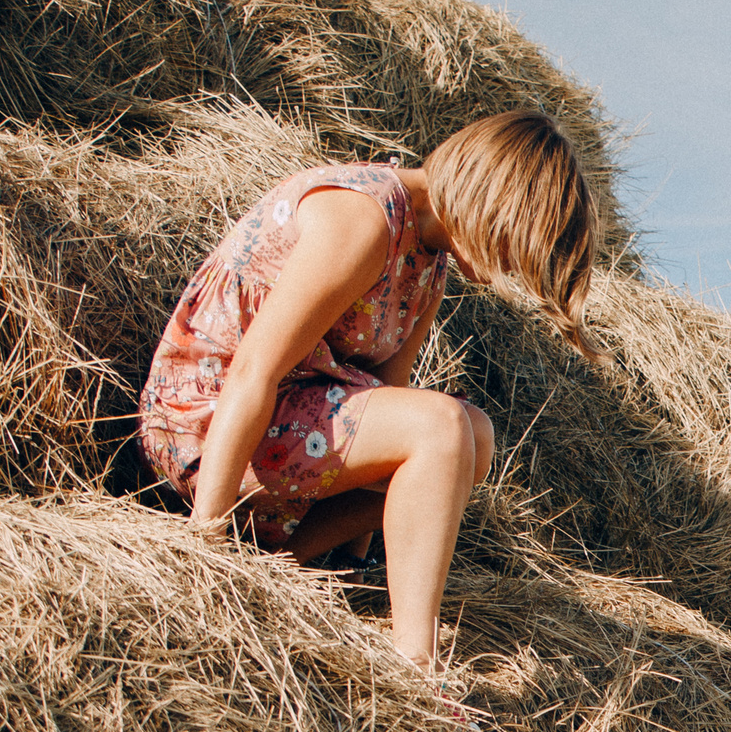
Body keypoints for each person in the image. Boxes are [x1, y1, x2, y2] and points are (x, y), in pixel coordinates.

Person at [136, 110, 600, 674]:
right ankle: (416, 667)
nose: (511, 269)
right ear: (493, 200)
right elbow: (253, 369)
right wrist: (203, 546)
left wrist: (352, 558)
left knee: (473, 437)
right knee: (441, 426)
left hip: (294, 425)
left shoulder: (430, 263)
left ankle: (295, 562)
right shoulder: (364, 216)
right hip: (207, 424)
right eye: (515, 245)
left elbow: (386, 396)